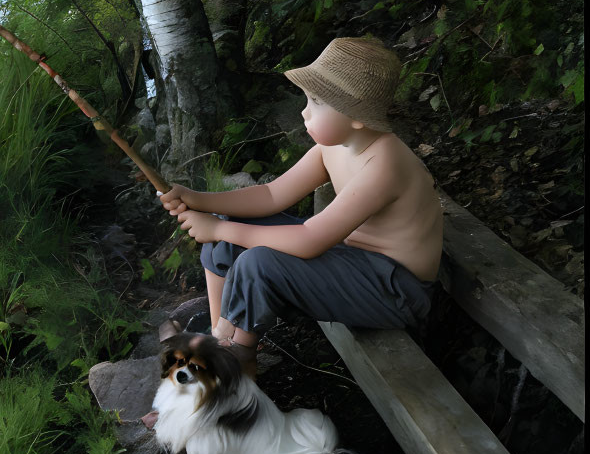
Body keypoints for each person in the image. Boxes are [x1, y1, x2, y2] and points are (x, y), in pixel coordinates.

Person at [157, 37, 442, 379]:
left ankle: (240, 361)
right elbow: (271, 195)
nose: (304, 111)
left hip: (395, 291)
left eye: (317, 101)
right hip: (353, 263)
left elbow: (310, 239)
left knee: (256, 259)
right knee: (231, 226)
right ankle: (220, 336)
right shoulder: (334, 147)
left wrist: (217, 229)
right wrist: (198, 200)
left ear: (356, 115)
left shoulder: (384, 165)